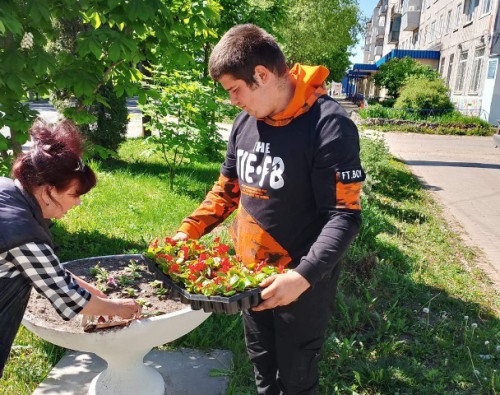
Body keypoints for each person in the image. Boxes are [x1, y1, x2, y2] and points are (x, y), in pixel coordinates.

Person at [173, 24, 365, 394]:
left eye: (235, 90)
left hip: (301, 280)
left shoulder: (328, 125)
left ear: (261, 75)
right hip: (248, 276)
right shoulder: (244, 123)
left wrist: (302, 277)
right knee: (262, 367)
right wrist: (188, 231)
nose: (232, 101)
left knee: (296, 375)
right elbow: (227, 189)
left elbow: (344, 215)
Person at [0, 119, 142, 378]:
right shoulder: (22, 235)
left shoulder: (8, 192)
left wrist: (96, 293)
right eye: (74, 195)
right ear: (49, 191)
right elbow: (66, 293)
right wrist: (121, 308)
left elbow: (45, 270)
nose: (77, 204)